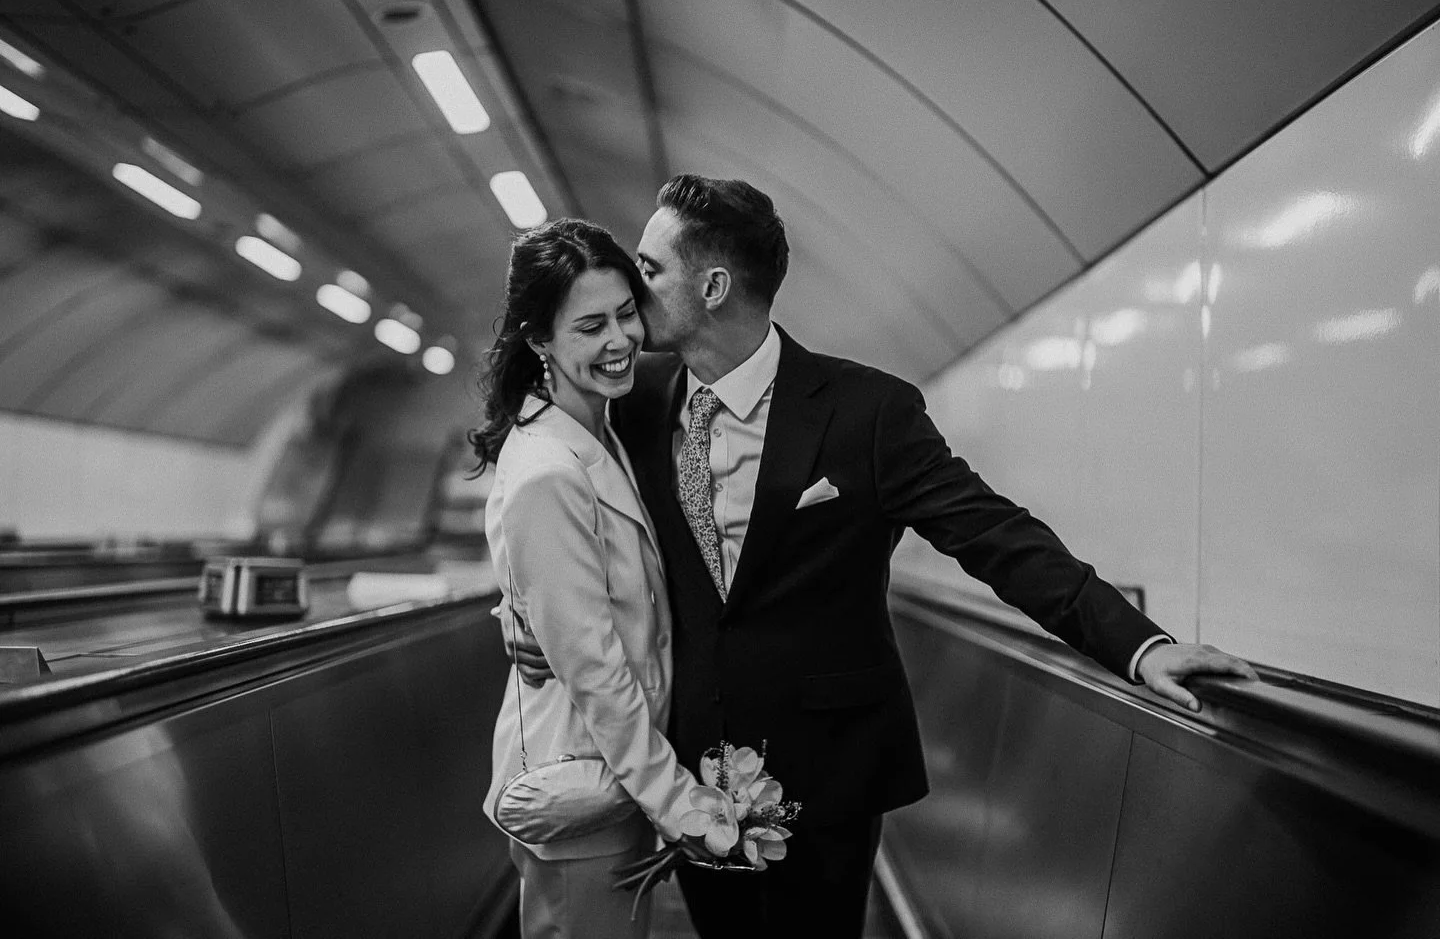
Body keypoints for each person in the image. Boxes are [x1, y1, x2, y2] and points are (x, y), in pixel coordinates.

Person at [511, 176, 1258, 937]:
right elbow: (549, 476)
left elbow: (994, 534)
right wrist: (520, 602)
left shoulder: (866, 412)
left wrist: (1140, 645)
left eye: (650, 268)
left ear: (712, 286)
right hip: (691, 764)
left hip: (829, 770)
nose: (634, 292)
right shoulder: (634, 404)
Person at [470, 218, 700, 938]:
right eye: (590, 326)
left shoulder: (601, 433)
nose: (620, 341)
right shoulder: (549, 469)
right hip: (584, 787)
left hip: (611, 780)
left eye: (627, 314)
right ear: (539, 339)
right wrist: (679, 802)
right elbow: (595, 667)